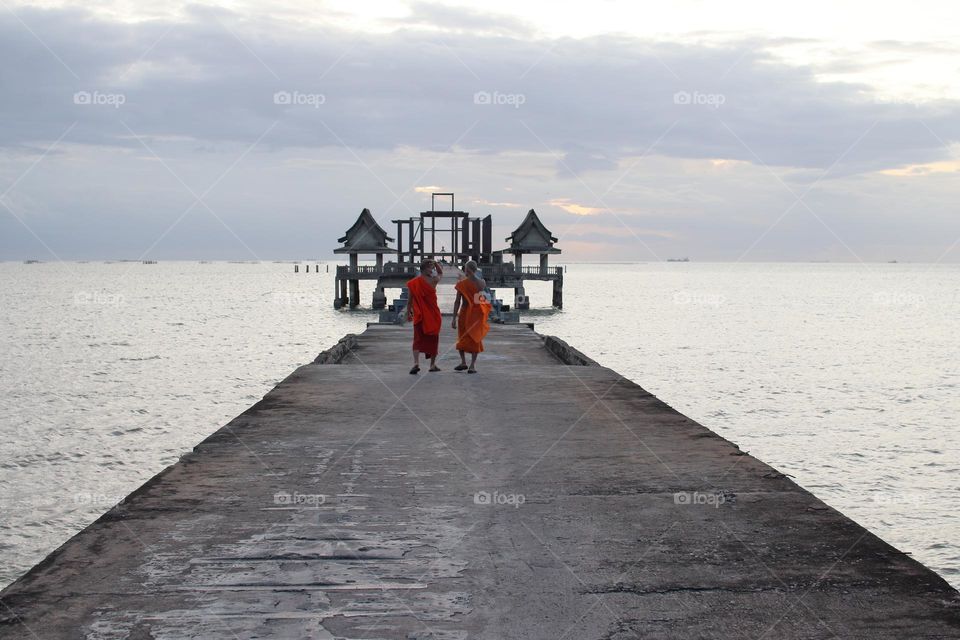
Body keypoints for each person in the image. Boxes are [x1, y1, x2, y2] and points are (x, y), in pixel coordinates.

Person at [452, 260, 492, 373]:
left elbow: (457, 302)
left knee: (462, 337)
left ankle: (463, 361)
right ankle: (472, 365)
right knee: (475, 338)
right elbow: (482, 299)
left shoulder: (461, 284)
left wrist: (454, 317)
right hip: (477, 314)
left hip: (464, 313)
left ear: (467, 270)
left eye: (465, 268)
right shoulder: (482, 283)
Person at [406, 259, 443, 374]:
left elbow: (409, 300)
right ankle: (432, 365)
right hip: (432, 315)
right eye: (430, 268)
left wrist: (408, 312)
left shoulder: (414, 283)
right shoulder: (433, 280)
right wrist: (436, 264)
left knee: (417, 339)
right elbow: (441, 273)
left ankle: (416, 363)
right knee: (433, 339)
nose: (432, 270)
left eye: (432, 268)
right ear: (424, 269)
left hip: (419, 315)